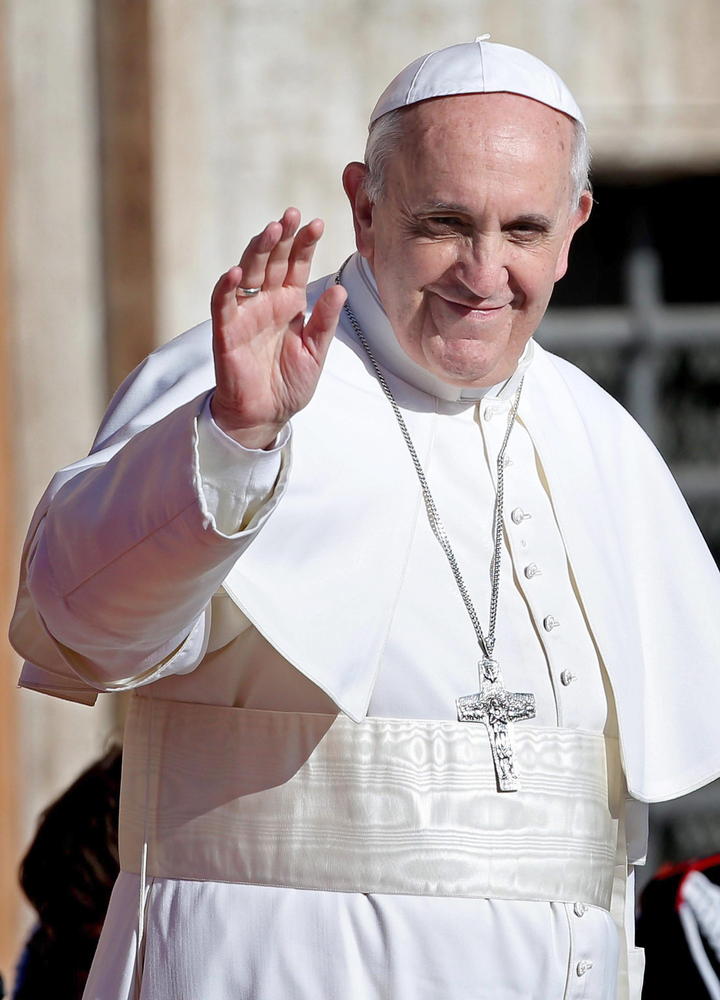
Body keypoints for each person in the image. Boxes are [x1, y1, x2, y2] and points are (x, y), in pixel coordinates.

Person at [10, 37, 720, 1000]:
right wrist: (232, 444)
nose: (484, 271)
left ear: (574, 226)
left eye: (522, 229)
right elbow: (78, 624)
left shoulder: (605, 442)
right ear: (364, 203)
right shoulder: (240, 384)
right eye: (444, 222)